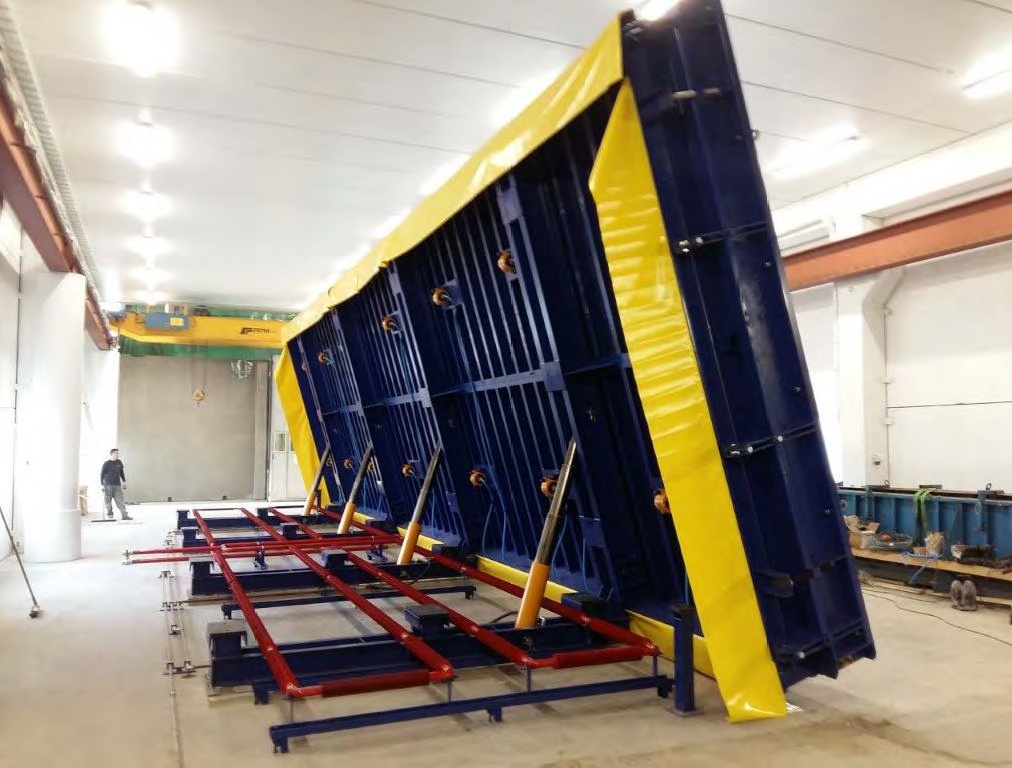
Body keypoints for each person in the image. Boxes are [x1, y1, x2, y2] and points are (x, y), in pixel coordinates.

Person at [100, 448, 132, 521]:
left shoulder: (119, 462)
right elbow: (102, 474)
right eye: (116, 453)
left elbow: (121, 473)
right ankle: (110, 514)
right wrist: (102, 484)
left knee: (120, 501)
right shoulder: (106, 463)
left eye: (118, 453)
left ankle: (124, 515)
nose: (117, 455)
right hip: (108, 485)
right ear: (112, 454)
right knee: (108, 501)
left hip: (117, 485)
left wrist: (124, 481)